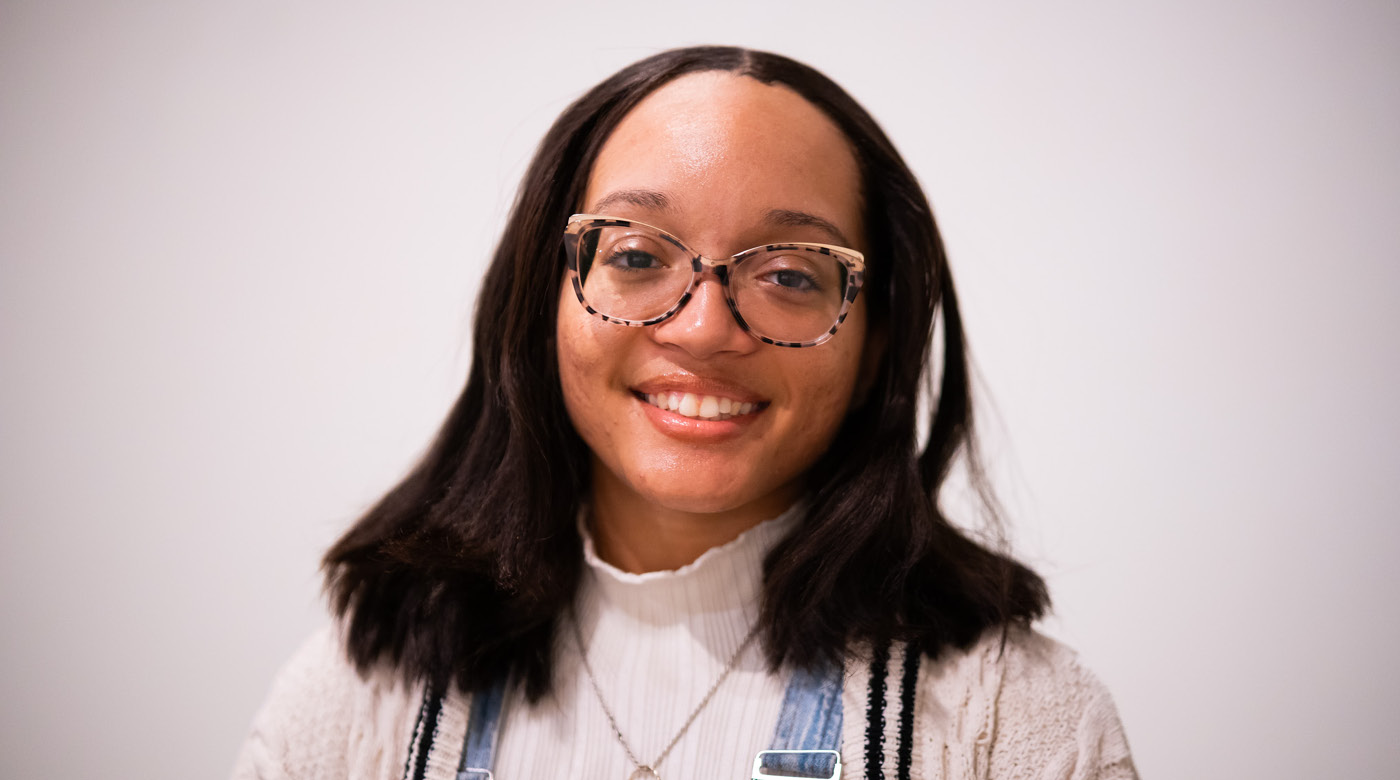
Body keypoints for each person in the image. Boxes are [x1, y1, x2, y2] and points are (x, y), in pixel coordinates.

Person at [233, 46, 1137, 780]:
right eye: (635, 256)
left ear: (876, 346)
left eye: (788, 275)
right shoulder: (361, 702)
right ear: (540, 302)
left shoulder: (1012, 725)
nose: (704, 329)